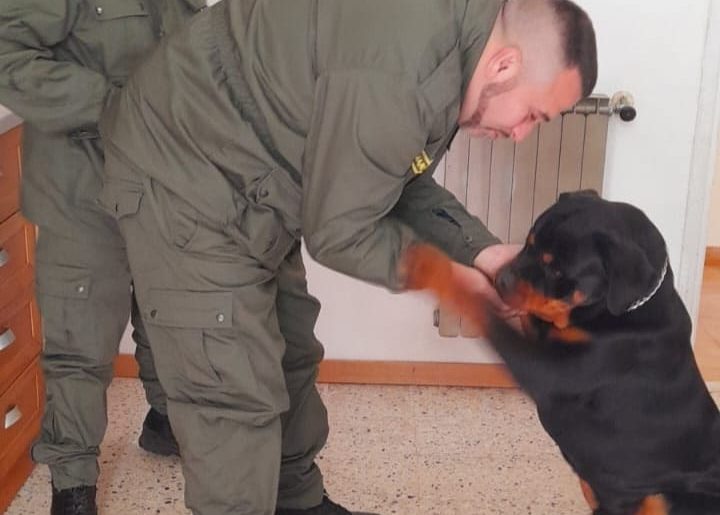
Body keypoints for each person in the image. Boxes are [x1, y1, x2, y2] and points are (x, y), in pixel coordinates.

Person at [98, 0, 598, 513]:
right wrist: (451, 280)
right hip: (184, 170)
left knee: (291, 351)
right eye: (532, 115)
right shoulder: (403, 70)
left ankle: (297, 503)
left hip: (256, 175)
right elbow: (339, 231)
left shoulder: (455, 49)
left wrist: (483, 253)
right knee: (232, 396)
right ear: (505, 65)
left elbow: (395, 177)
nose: (520, 135)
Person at [0, 1, 206, 513]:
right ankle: (73, 479)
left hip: (162, 179)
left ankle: (165, 422)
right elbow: (7, 54)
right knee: (81, 334)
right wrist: (114, 102)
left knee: (166, 310)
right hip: (81, 186)